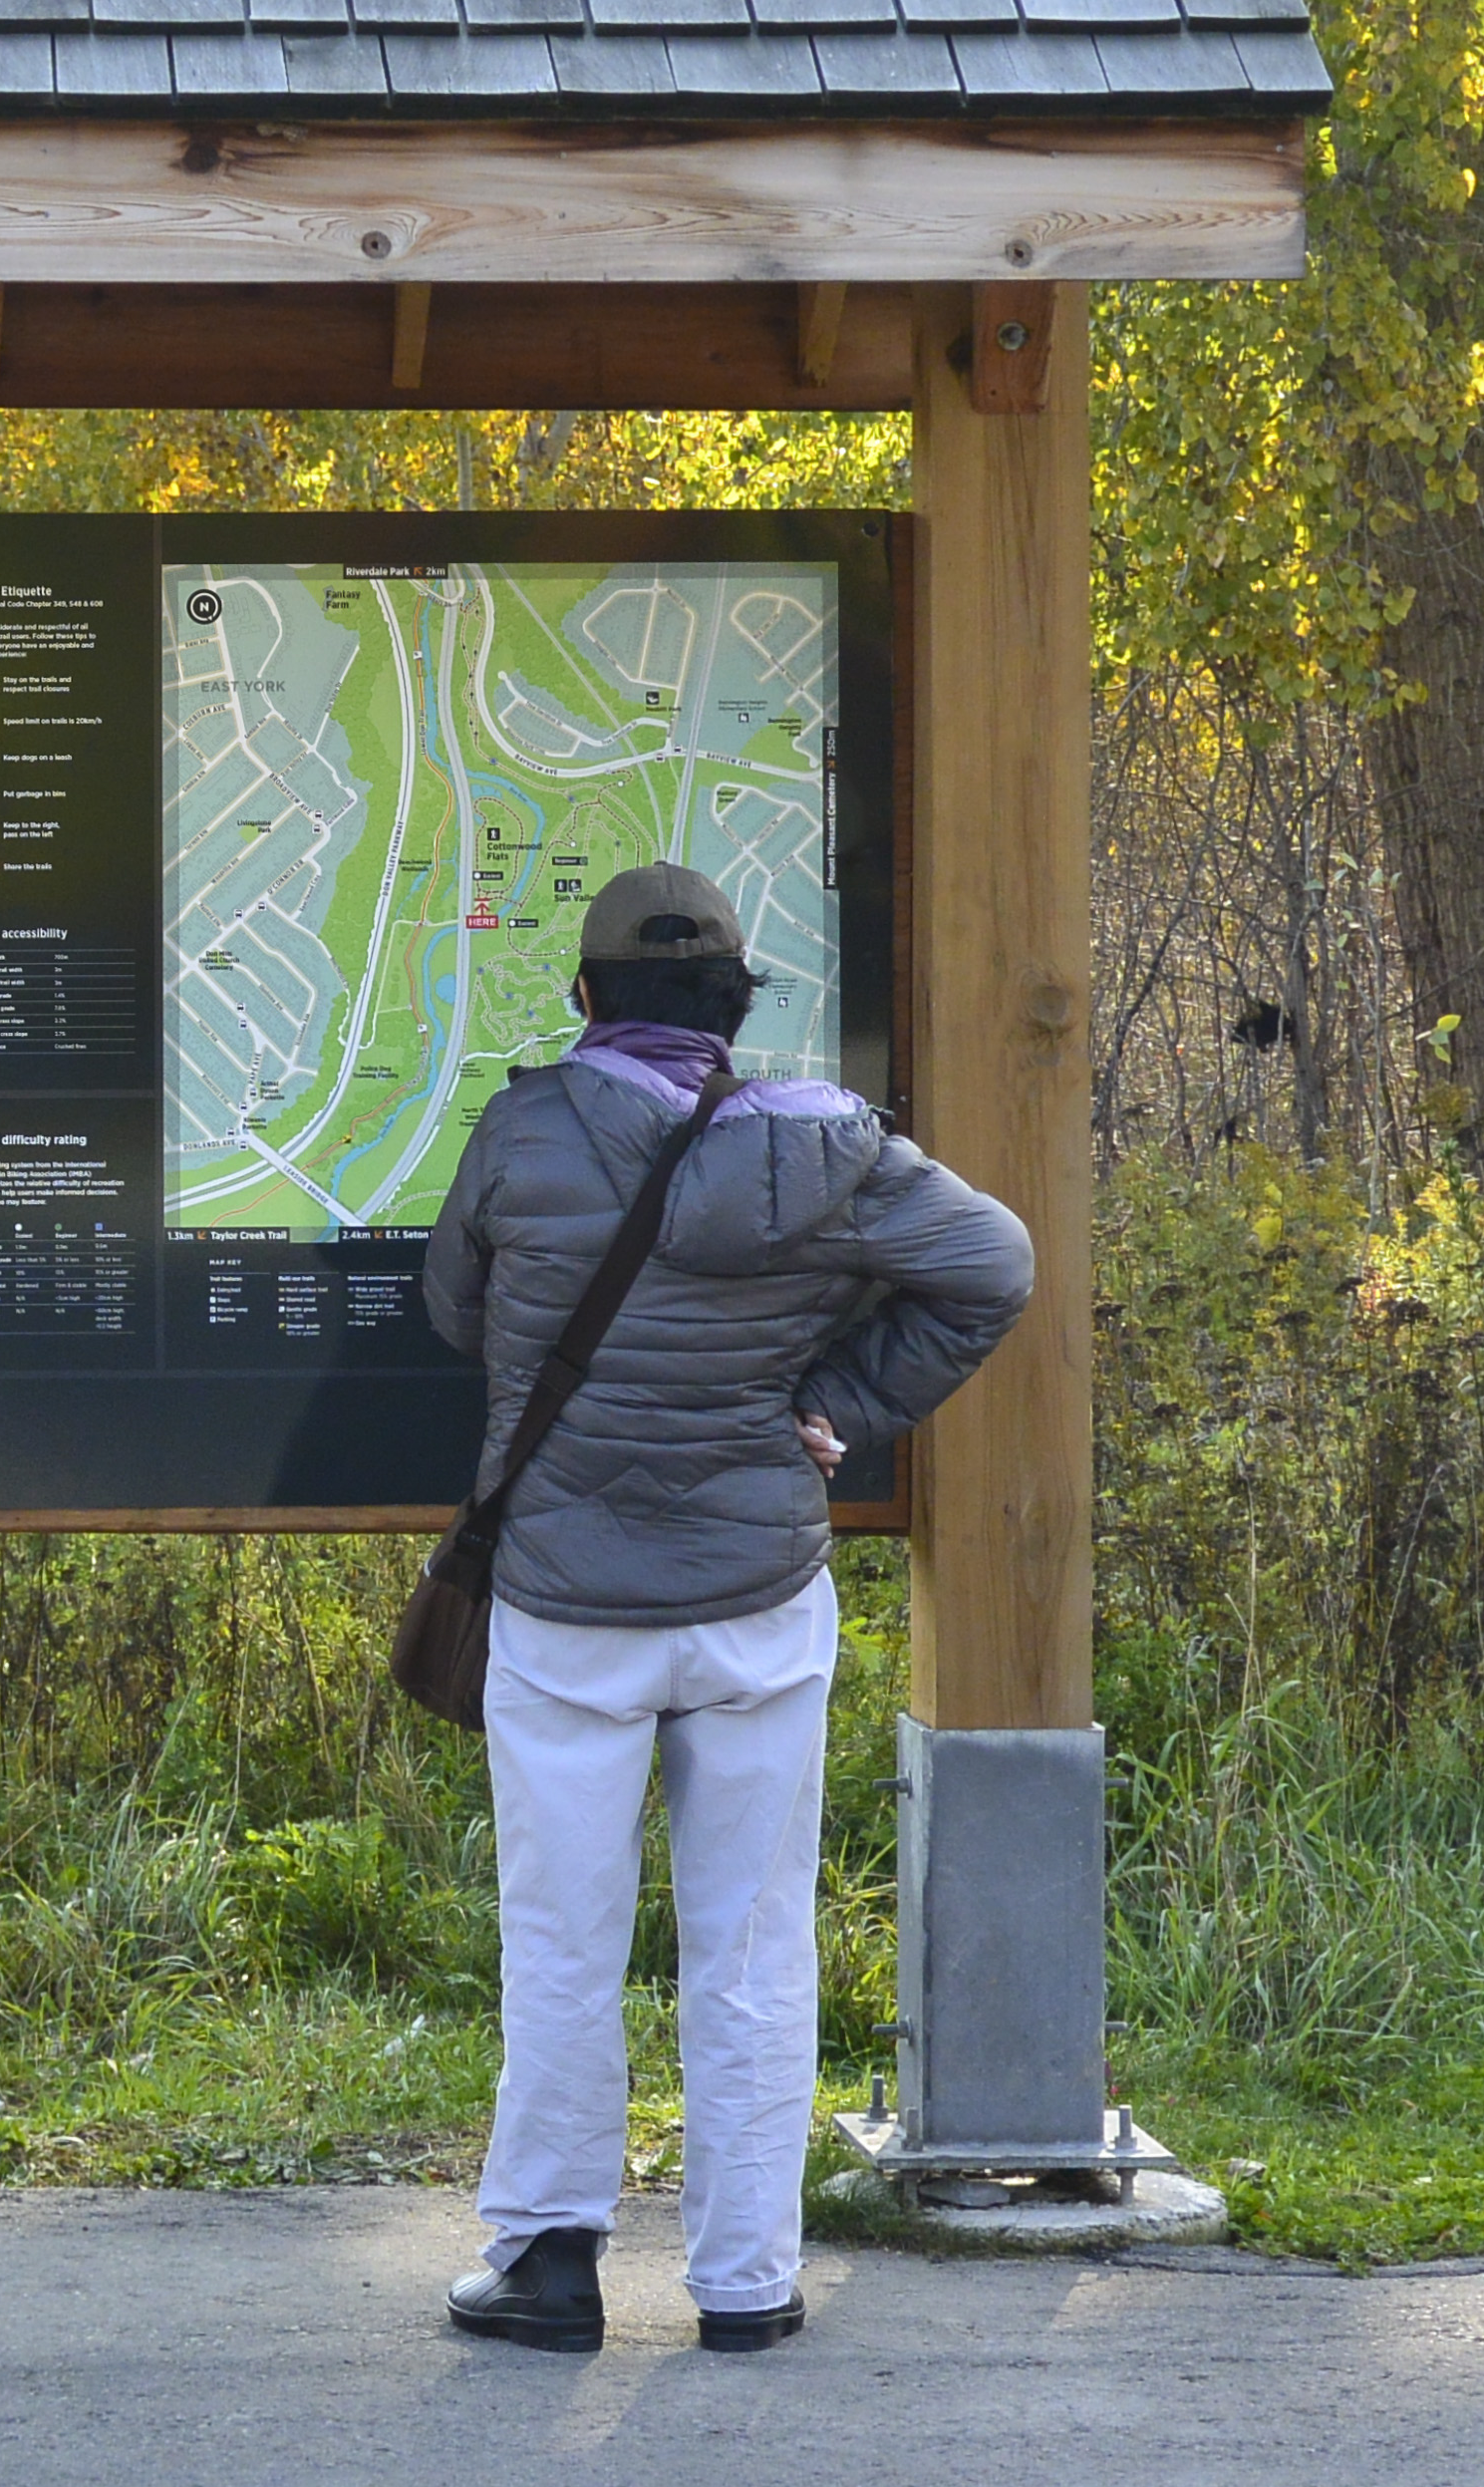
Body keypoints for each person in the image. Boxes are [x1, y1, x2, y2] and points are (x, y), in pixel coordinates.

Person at [421, 862, 1033, 2353]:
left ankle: (552, 2265)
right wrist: (833, 1397)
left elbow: (453, 1307)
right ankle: (748, 2282)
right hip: (757, 1604)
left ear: (585, 996)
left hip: (566, 1610)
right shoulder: (825, 1153)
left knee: (562, 1939)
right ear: (734, 1008)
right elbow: (993, 1266)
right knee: (752, 1947)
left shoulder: (523, 1131)